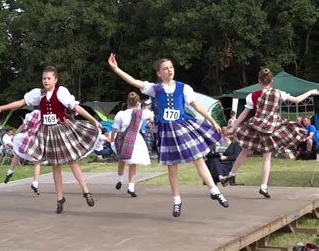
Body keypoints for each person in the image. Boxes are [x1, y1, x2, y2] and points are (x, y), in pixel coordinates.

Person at [108, 53, 229, 217]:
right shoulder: (155, 89)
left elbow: (198, 106)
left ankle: (214, 191)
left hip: (182, 126)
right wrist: (116, 68)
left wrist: (212, 120)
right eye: (165, 68)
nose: (169, 70)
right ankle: (177, 201)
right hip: (166, 131)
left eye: (171, 67)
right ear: (159, 73)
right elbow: (134, 82)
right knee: (172, 168)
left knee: (199, 158)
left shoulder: (183, 87)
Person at [0, 65, 100, 214]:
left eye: (49, 78)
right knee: (55, 166)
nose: (46, 81)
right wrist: (2, 108)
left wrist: (93, 120)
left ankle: (86, 191)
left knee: (72, 161)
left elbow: (76, 107)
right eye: (44, 78)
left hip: (62, 130)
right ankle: (59, 199)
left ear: (55, 80)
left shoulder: (61, 92)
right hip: (47, 133)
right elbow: (21, 102)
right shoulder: (38, 94)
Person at [225, 67, 318, 198]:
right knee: (267, 157)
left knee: (245, 150)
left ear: (259, 81)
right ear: (272, 81)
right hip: (270, 128)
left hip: (256, 127)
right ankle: (263, 187)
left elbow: (244, 113)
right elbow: (297, 100)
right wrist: (311, 92)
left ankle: (231, 174)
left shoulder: (252, 95)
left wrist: (233, 126)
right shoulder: (279, 93)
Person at [111, 92, 153, 197]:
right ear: (138, 103)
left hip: (122, 138)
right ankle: (131, 187)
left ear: (127, 102)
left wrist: (112, 141)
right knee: (132, 164)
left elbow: (114, 129)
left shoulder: (121, 114)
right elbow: (152, 117)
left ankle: (120, 179)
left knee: (122, 160)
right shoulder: (142, 113)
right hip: (135, 138)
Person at [3, 110, 43, 195]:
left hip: (24, 138)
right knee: (37, 162)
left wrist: (15, 135)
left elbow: (23, 125)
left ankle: (10, 171)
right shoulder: (44, 116)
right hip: (35, 141)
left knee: (17, 154)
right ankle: (35, 183)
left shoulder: (32, 114)